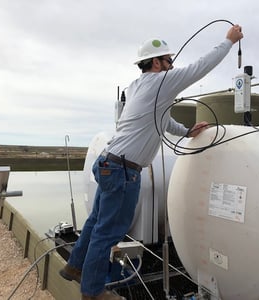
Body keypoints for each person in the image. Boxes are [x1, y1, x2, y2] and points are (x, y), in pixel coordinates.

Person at [59, 24, 243, 300]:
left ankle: (74, 268)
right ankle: (93, 292)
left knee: (95, 223)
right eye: (169, 60)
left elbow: (162, 119)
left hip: (109, 162)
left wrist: (186, 131)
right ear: (156, 62)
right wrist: (229, 41)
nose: (172, 65)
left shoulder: (137, 86)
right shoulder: (161, 81)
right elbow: (201, 67)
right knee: (108, 232)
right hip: (123, 170)